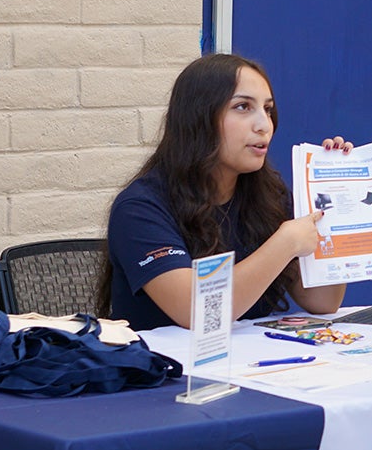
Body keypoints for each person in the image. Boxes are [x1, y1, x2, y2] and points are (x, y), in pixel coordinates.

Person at [94, 53, 350, 331]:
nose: (264, 125)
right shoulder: (140, 208)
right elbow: (197, 311)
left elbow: (323, 301)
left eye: (268, 109)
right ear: (198, 118)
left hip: (253, 364)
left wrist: (328, 194)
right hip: (168, 369)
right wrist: (285, 242)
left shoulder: (268, 197)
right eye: (242, 107)